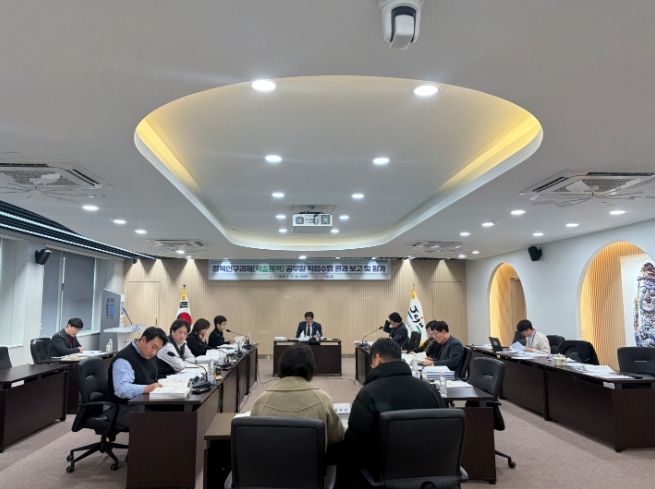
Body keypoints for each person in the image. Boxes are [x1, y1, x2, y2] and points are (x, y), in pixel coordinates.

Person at [345, 338, 446, 477]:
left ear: (378, 358)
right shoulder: (430, 390)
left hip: (382, 472)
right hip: (427, 471)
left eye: (372, 361)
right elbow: (444, 430)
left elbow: (354, 441)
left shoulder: (368, 393)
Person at [251, 344, 344, 445]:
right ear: (311, 368)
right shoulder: (323, 400)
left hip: (270, 455)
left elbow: (252, 434)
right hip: (310, 455)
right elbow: (338, 436)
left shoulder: (262, 401)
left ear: (281, 366)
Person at [107, 326, 167, 427]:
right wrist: (147, 388)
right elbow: (121, 389)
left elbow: (151, 377)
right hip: (121, 408)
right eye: (153, 347)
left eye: (158, 349)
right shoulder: (124, 359)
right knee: (163, 420)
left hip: (142, 401)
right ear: (143, 340)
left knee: (173, 409)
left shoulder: (148, 355)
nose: (154, 352)